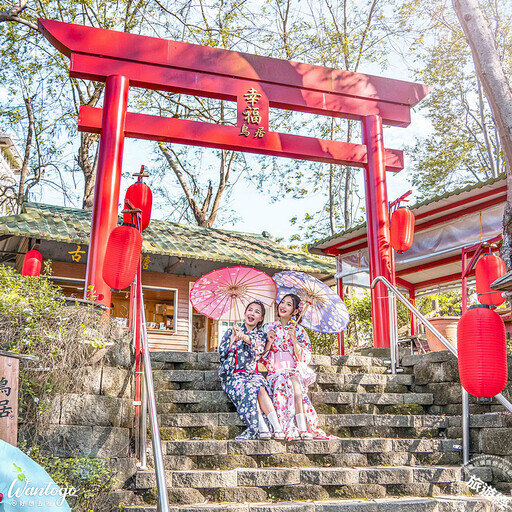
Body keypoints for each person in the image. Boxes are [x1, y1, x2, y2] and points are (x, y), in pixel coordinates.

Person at [261, 293, 331, 440]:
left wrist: (294, 339)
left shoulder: (299, 331)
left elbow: (303, 357)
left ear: (295, 311)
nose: (283, 306)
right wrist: (269, 341)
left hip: (293, 371)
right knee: (282, 380)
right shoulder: (269, 327)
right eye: (282, 302)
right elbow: (262, 354)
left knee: (295, 384)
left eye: (288, 304)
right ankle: (281, 425)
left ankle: (302, 427)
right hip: (275, 371)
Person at [218, 300, 285, 440]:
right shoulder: (231, 331)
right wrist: (232, 339)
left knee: (260, 387)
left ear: (261, 318)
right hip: (234, 376)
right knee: (249, 388)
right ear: (244, 313)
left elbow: (259, 348)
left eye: (257, 312)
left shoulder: (260, 335)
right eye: (250, 310)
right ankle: (261, 427)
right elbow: (222, 353)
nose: (252, 314)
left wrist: (242, 336)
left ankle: (277, 427)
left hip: (252, 374)